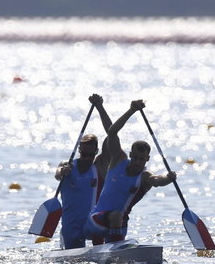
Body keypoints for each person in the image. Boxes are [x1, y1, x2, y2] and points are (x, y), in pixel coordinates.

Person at [83, 100, 177, 244]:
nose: (138, 163)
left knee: (117, 220)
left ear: (147, 159)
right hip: (95, 221)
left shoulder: (145, 177)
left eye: (142, 159)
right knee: (115, 216)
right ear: (130, 155)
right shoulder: (118, 160)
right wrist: (131, 110)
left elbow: (158, 181)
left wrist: (169, 177)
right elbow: (112, 132)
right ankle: (107, 246)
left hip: (119, 224)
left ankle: (102, 253)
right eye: (136, 158)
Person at [53, 93, 113, 249]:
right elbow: (58, 173)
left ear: (96, 152)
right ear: (79, 150)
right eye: (84, 154)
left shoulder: (99, 165)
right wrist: (62, 171)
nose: (87, 158)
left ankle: (102, 251)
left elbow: (112, 134)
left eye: (91, 154)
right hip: (71, 225)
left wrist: (100, 107)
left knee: (99, 228)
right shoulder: (67, 165)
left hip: (92, 223)